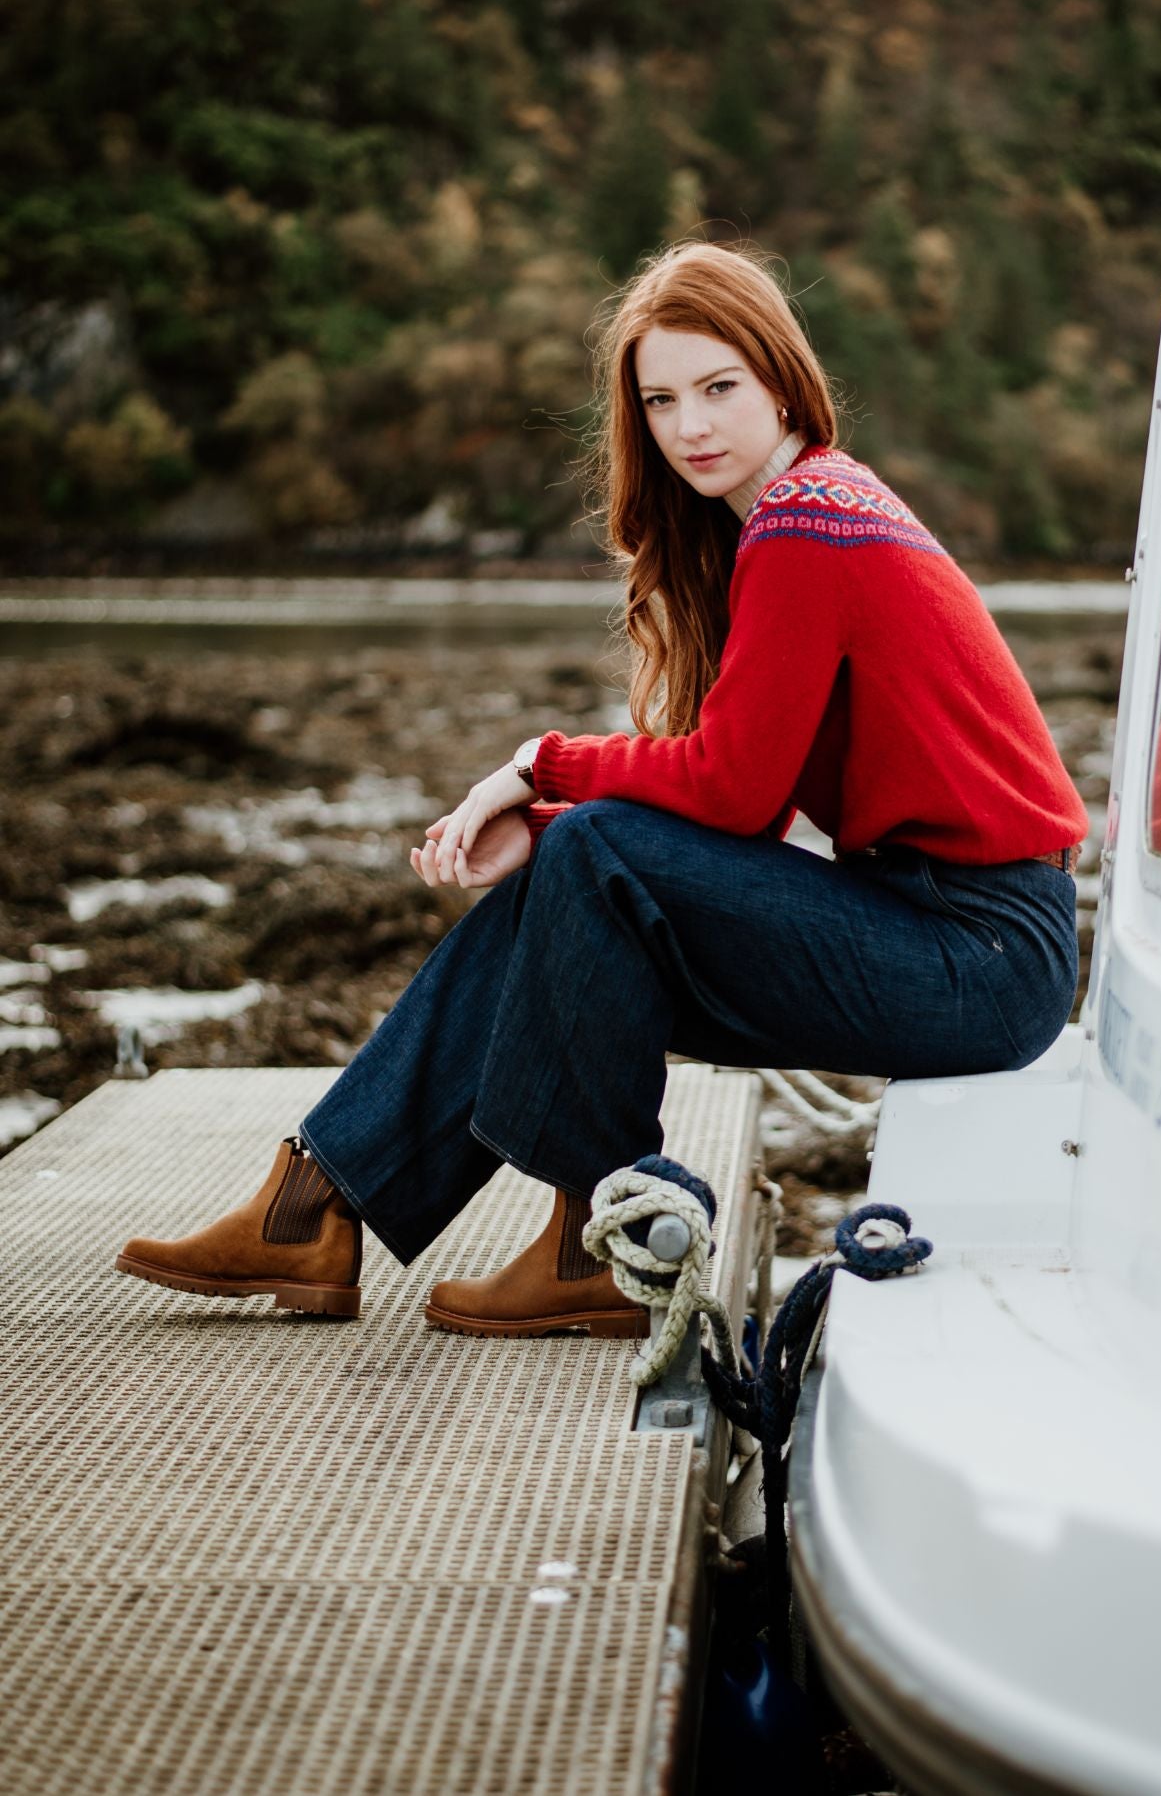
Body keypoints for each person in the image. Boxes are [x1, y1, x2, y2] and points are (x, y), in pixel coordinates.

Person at [114, 241, 1089, 1338]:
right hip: (933, 927)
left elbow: (726, 792)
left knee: (597, 851)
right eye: (662, 399)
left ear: (781, 380)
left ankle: (575, 1237)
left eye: (720, 388)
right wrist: (550, 832)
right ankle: (316, 1207)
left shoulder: (809, 524)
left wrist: (544, 768)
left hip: (980, 956)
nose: (692, 427)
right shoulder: (787, 518)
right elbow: (748, 810)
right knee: (574, 878)